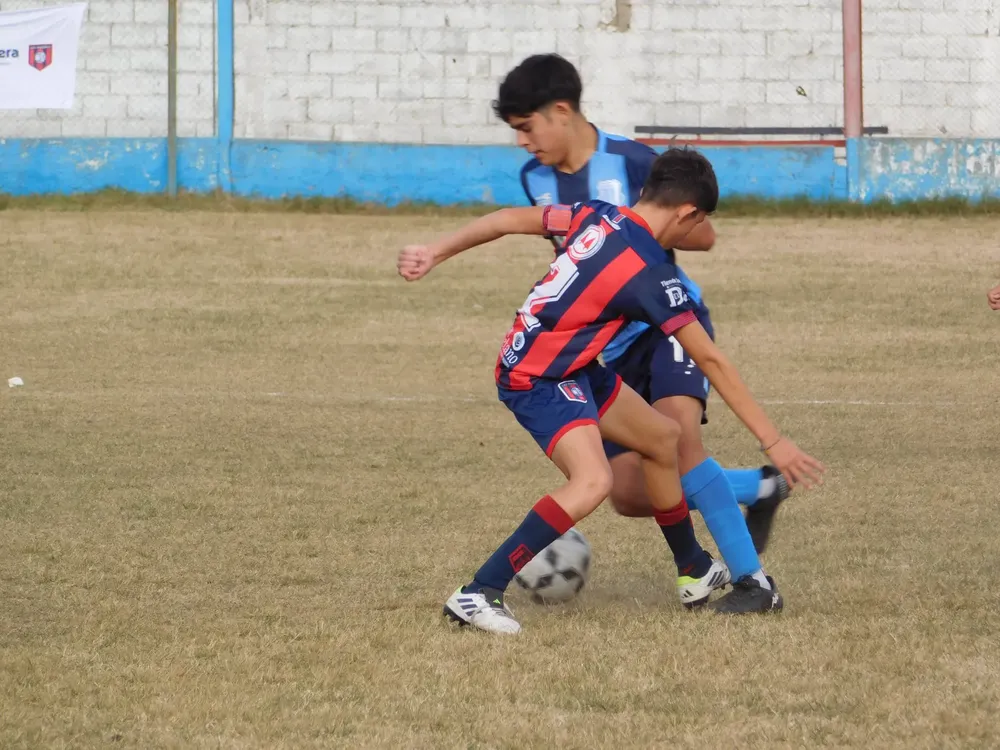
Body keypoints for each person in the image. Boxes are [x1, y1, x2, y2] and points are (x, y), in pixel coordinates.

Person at [397, 148, 825, 634]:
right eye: (695, 224)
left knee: (662, 439)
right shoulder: (648, 272)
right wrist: (774, 441)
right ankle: (477, 593)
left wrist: (436, 251)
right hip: (539, 377)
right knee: (594, 482)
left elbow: (504, 220)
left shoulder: (593, 214)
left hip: (570, 364)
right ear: (688, 213)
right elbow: (711, 359)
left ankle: (695, 569)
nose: (692, 234)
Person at [491, 53, 791, 613]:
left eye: (528, 128)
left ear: (561, 112)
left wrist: (633, 238)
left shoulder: (631, 162)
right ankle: (757, 487)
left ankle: (752, 582)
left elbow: (699, 233)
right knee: (630, 494)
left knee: (680, 439)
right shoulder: (534, 178)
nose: (524, 143)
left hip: (667, 323)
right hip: (601, 345)